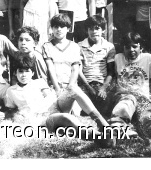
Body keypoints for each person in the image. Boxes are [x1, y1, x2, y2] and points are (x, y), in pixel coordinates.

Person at [4, 55, 114, 147]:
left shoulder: (39, 82)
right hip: (43, 118)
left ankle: (103, 124)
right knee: (66, 117)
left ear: (32, 73)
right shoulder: (11, 91)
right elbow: (11, 111)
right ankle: (97, 137)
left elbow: (49, 96)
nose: (24, 75)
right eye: (20, 72)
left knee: (73, 89)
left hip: (55, 106)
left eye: (27, 71)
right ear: (15, 73)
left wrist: (49, 101)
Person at [41, 13, 114, 142]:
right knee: (65, 121)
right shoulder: (47, 46)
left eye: (62, 27)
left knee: (73, 90)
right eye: (56, 27)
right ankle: (99, 128)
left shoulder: (74, 46)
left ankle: (102, 124)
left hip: (69, 89)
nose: (59, 30)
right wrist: (58, 88)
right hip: (54, 90)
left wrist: (69, 86)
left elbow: (75, 69)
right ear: (51, 29)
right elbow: (50, 67)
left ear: (68, 29)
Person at [107, 32, 151, 139]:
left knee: (148, 113)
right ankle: (117, 125)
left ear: (141, 47)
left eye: (134, 46)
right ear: (123, 49)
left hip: (142, 97)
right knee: (127, 102)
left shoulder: (148, 58)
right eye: (127, 47)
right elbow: (111, 75)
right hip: (124, 95)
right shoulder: (118, 58)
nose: (131, 50)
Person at [78, 15, 116, 116]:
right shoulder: (79, 46)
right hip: (85, 83)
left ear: (103, 30)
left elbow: (111, 71)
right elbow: (78, 70)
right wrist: (87, 87)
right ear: (87, 30)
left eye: (97, 28)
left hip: (101, 83)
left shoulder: (109, 46)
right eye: (91, 29)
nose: (94, 31)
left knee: (106, 105)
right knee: (82, 105)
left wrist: (103, 88)